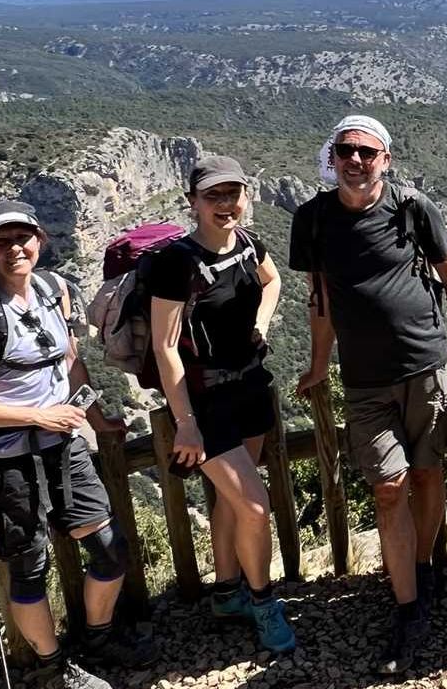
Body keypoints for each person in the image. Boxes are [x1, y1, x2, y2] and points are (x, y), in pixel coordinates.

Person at [289, 114, 447, 675]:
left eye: (367, 152)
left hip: (425, 365)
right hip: (364, 381)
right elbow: (321, 298)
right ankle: (408, 606)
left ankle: (426, 572)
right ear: (332, 157)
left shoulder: (412, 208)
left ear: (386, 159)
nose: (356, 160)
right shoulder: (312, 220)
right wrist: (316, 364)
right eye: (346, 151)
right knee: (389, 485)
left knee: (427, 474)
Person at [0, 201, 156, 689]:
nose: (15, 248)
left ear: (40, 239)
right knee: (29, 562)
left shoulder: (53, 289)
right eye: (0, 241)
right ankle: (53, 666)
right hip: (0, 460)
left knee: (109, 547)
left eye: (23, 237)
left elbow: (69, 362)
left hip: (60, 443)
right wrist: (39, 414)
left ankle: (96, 636)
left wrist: (96, 417)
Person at [148, 155, 295, 652]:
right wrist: (185, 423)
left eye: (233, 193)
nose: (225, 204)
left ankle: (228, 592)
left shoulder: (249, 244)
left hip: (251, 386)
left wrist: (262, 323)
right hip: (206, 401)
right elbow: (165, 347)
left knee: (234, 502)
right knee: (255, 507)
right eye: (213, 196)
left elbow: (272, 281)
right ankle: (263, 602)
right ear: (193, 203)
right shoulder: (176, 264)